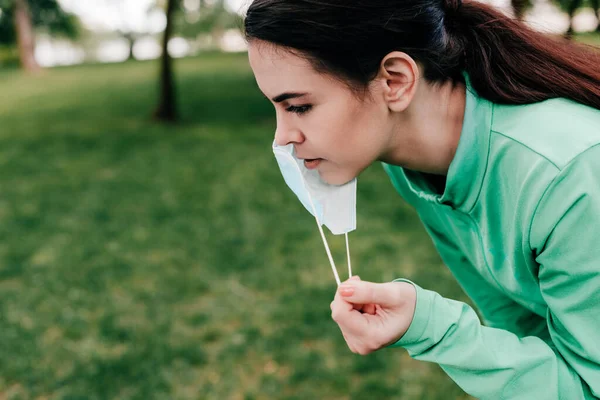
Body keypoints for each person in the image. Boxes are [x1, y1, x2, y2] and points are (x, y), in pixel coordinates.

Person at [243, 0, 600, 398]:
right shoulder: (411, 165)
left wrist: (430, 326)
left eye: (299, 107)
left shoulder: (570, 177)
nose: (282, 137)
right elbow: (520, 323)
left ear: (395, 81)